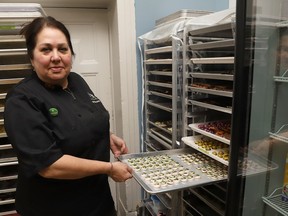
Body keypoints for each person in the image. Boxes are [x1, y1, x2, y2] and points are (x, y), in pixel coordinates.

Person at [4, 16, 133, 216]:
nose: (56, 56)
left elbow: (82, 118)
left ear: (71, 54)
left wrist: (107, 136)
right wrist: (109, 168)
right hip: (52, 207)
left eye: (62, 49)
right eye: (46, 49)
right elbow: (49, 165)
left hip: (97, 202)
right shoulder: (22, 99)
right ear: (31, 57)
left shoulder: (77, 81)